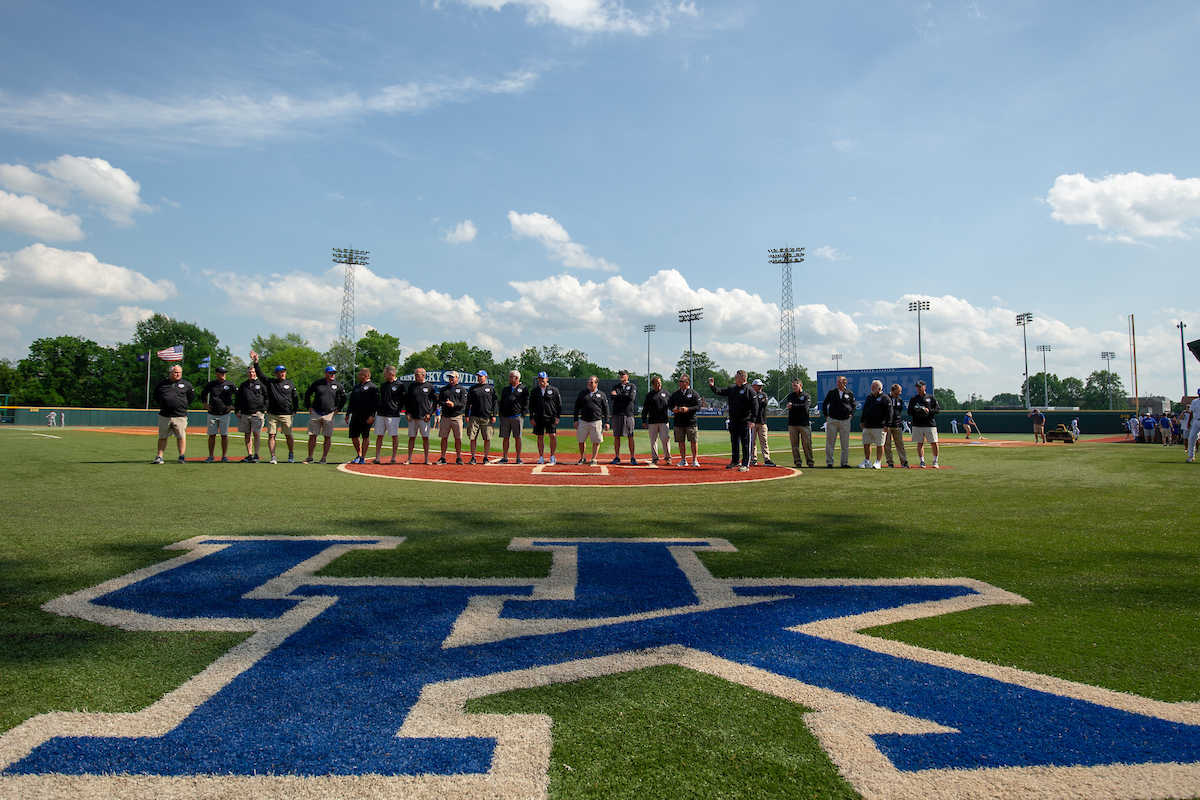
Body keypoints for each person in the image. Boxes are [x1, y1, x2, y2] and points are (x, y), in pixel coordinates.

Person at [249, 351, 299, 464]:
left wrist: (294, 410)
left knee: (288, 435)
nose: (283, 373)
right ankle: (273, 456)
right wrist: (256, 362)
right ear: (276, 373)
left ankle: (291, 454)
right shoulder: (270, 382)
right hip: (272, 414)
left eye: (284, 371)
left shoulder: (290, 383)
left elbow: (295, 398)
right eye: (280, 372)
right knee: (271, 435)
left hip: (286, 413)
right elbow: (260, 375)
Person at [710, 371, 757, 472]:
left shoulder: (749, 390)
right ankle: (735, 461)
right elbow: (720, 391)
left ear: (743, 378)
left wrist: (752, 420)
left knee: (745, 443)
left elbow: (755, 406)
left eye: (737, 377)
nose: (735, 379)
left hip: (744, 420)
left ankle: (745, 464)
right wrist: (713, 386)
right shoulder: (732, 388)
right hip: (734, 420)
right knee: (734, 441)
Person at [152, 364, 194, 464]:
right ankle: (159, 456)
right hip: (165, 415)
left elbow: (191, 397)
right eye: (175, 372)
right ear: (170, 373)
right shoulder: (162, 384)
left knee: (181, 436)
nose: (177, 374)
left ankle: (181, 456)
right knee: (162, 436)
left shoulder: (186, 384)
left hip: (180, 415)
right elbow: (156, 396)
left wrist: (181, 405)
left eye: (179, 372)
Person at [303, 366, 346, 464]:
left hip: (329, 414)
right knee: (312, 435)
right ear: (326, 373)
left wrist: (338, 409)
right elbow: (307, 394)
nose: (333, 375)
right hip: (316, 413)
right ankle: (310, 457)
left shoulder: (338, 385)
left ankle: (324, 457)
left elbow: (343, 398)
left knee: (327, 436)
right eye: (331, 373)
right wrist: (309, 407)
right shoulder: (317, 383)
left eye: (334, 373)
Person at [200, 366, 237, 463]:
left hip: (225, 413)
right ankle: (211, 456)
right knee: (212, 435)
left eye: (224, 373)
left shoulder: (230, 384)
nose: (223, 375)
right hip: (212, 413)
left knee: (224, 435)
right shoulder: (211, 384)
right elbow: (203, 393)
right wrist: (205, 404)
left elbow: (240, 395)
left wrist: (234, 407)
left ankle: (224, 456)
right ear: (216, 373)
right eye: (221, 373)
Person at [574, 375, 610, 465]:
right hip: (583, 421)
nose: (589, 384)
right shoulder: (582, 394)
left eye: (591, 382)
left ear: (596, 384)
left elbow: (606, 409)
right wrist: (575, 420)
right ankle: (582, 458)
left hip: (596, 421)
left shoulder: (601, 395)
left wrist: (607, 422)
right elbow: (577, 407)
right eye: (588, 382)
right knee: (581, 440)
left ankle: (593, 459)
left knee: (596, 440)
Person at [346, 368, 378, 465]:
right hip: (355, 415)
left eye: (360, 374)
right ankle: (358, 454)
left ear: (366, 376)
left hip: (366, 416)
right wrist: (348, 413)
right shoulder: (356, 387)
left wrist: (372, 415)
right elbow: (351, 401)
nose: (358, 376)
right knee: (354, 436)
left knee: (365, 436)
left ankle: (363, 457)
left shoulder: (373, 387)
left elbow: (375, 403)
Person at [372, 365, 405, 464]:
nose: (383, 375)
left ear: (391, 374)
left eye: (385, 373)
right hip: (381, 413)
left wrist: (397, 409)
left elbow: (403, 400)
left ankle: (393, 457)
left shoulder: (400, 385)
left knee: (394, 435)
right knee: (379, 435)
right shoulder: (383, 384)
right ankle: (377, 458)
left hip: (393, 415)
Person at [822, 375, 855, 468]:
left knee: (845, 443)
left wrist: (851, 413)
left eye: (840, 382)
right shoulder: (832, 392)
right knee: (830, 442)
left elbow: (854, 404)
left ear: (845, 383)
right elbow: (825, 404)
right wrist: (826, 416)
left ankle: (844, 462)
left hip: (845, 420)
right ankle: (829, 462)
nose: (838, 383)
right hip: (833, 419)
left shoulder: (849, 393)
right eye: (837, 382)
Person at [235, 364, 267, 462]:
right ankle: (250, 454)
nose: (251, 374)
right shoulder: (243, 385)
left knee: (256, 433)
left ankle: (256, 455)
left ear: (255, 373)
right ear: (247, 373)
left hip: (257, 413)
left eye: (253, 372)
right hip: (245, 413)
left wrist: (263, 409)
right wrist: (237, 410)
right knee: (247, 434)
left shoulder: (261, 384)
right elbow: (238, 398)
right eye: (250, 372)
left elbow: (267, 397)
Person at [465, 371, 497, 465]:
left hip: (486, 417)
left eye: (481, 376)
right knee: (472, 437)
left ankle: (486, 457)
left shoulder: (491, 388)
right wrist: (467, 415)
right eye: (478, 376)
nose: (479, 378)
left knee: (487, 438)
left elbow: (495, 402)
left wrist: (494, 415)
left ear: (486, 377)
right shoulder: (473, 388)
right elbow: (468, 403)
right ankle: (473, 457)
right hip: (474, 416)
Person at [530, 371, 562, 465]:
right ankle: (541, 457)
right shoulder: (535, 391)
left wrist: (557, 417)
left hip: (550, 417)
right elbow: (531, 406)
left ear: (547, 379)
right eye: (540, 379)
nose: (541, 381)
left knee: (552, 435)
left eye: (543, 379)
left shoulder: (554, 390)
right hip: (538, 417)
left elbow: (559, 405)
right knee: (540, 436)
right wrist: (532, 417)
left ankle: (552, 456)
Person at [670, 374, 702, 467]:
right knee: (680, 441)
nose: (679, 383)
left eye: (681, 381)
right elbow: (670, 404)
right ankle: (683, 459)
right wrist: (673, 409)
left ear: (687, 382)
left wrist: (688, 409)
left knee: (693, 440)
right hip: (679, 421)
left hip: (690, 421)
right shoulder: (676, 394)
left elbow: (698, 406)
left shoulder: (694, 393)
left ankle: (695, 459)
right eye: (679, 381)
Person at [608, 369, 639, 465]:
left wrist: (618, 396)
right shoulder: (616, 386)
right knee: (617, 436)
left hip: (628, 414)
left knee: (630, 436)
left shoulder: (632, 386)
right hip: (617, 413)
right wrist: (622, 396)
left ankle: (632, 457)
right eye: (620, 374)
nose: (621, 376)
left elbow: (630, 398)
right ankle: (617, 457)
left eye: (623, 374)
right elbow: (612, 397)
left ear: (627, 376)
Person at [406, 367, 436, 465]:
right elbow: (407, 401)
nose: (416, 376)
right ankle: (409, 459)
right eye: (415, 374)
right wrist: (407, 413)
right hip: (413, 417)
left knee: (425, 438)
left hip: (424, 418)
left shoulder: (430, 386)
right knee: (411, 438)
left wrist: (429, 414)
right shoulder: (411, 386)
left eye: (417, 374)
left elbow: (435, 403)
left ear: (423, 375)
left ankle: (426, 459)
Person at [497, 370, 528, 464]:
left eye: (511, 377)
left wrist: (522, 415)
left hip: (517, 416)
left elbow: (526, 403)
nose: (509, 378)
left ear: (516, 378)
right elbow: (501, 402)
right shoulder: (506, 389)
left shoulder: (523, 388)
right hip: (505, 417)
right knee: (505, 437)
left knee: (517, 437)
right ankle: (505, 457)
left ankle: (518, 458)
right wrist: (501, 414)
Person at [908, 379, 940, 468]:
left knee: (934, 442)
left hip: (929, 424)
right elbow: (909, 412)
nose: (918, 388)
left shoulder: (931, 398)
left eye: (920, 386)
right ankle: (922, 461)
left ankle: (935, 461)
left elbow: (937, 410)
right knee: (919, 443)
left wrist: (928, 411)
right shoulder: (914, 399)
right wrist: (917, 411)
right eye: (917, 387)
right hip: (918, 424)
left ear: (924, 387)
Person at [641, 376, 672, 465]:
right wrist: (644, 420)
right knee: (653, 441)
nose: (659, 384)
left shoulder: (666, 394)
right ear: (653, 384)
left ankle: (668, 457)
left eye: (660, 382)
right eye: (657, 382)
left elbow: (671, 405)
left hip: (664, 421)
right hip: (652, 421)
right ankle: (655, 458)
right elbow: (645, 409)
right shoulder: (649, 395)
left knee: (665, 439)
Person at [858, 380, 888, 469]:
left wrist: (887, 424)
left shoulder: (885, 398)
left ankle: (878, 461)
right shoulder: (869, 397)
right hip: (868, 425)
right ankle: (867, 461)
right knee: (866, 443)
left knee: (880, 444)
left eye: (873, 387)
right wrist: (862, 420)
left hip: (879, 425)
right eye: (871, 386)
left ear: (879, 389)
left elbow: (889, 412)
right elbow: (865, 410)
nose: (871, 388)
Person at [784, 378, 814, 468]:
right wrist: (796, 406)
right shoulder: (791, 396)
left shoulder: (806, 395)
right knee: (794, 444)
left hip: (803, 423)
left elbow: (805, 406)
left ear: (800, 385)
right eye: (793, 385)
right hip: (793, 423)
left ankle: (810, 461)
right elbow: (788, 406)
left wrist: (793, 406)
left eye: (795, 385)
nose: (794, 387)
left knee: (807, 443)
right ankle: (797, 461)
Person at [748, 379, 776, 467]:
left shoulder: (763, 394)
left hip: (762, 421)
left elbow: (764, 403)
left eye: (760, 386)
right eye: (758, 385)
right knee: (751, 442)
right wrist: (758, 403)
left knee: (764, 441)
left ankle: (767, 459)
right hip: (752, 421)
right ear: (754, 386)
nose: (760, 387)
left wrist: (756, 403)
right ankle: (753, 458)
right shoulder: (750, 394)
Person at [883, 383, 909, 468]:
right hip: (887, 425)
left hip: (897, 424)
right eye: (896, 393)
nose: (898, 394)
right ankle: (890, 462)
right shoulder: (886, 398)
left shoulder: (899, 400)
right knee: (887, 444)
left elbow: (899, 411)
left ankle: (904, 461)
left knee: (900, 444)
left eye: (899, 393)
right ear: (892, 391)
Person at [1187, 391, 1200, 463]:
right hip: (1196, 420)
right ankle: (1191, 456)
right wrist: (1189, 422)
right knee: (1191, 437)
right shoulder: (1194, 401)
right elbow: (1191, 412)